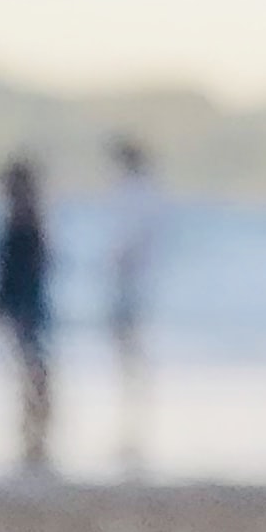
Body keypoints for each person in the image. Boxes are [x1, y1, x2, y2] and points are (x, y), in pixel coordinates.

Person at [100, 133, 162, 476]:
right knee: (129, 347)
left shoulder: (136, 194)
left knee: (129, 347)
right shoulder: (146, 193)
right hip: (134, 280)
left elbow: (130, 240)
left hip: (131, 281)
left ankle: (133, 410)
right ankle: (132, 409)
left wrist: (119, 261)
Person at [0, 155, 53, 477]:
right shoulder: (33, 217)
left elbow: (13, 269)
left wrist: (2, 301)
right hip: (29, 299)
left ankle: (36, 411)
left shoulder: (22, 219)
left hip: (24, 300)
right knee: (32, 359)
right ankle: (36, 411)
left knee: (30, 359)